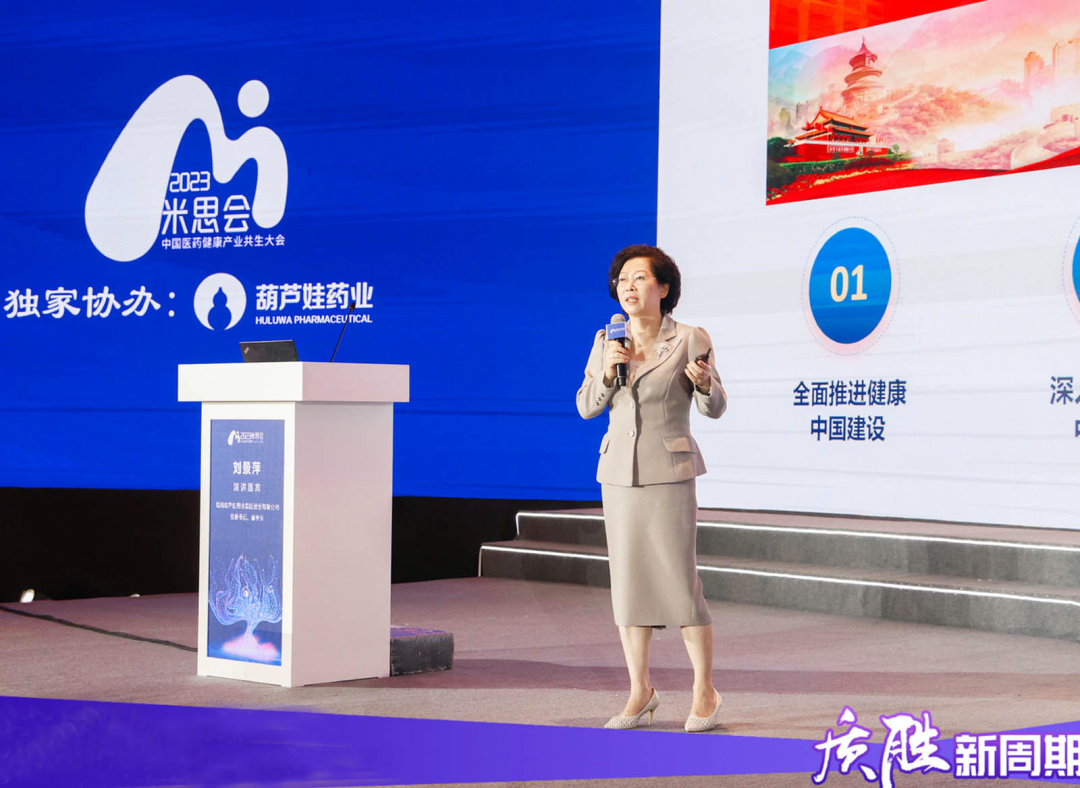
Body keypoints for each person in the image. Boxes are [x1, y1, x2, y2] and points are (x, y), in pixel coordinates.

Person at [576, 244, 727, 732]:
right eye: (622, 279)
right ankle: (640, 691)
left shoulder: (689, 338)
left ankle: (704, 691)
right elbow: (586, 406)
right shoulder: (606, 340)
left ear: (663, 288)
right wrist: (607, 373)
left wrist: (704, 384)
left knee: (681, 585)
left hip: (670, 473)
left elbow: (716, 407)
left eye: (639, 278)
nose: (629, 286)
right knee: (629, 586)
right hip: (619, 476)